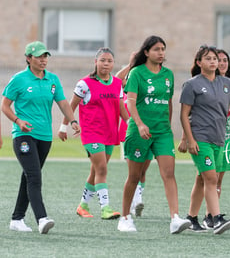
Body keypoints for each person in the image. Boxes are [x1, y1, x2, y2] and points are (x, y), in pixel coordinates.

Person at [1, 41, 80, 234]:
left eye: (45, 56)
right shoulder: (19, 79)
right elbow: (4, 106)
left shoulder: (52, 79)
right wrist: (18, 121)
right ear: (29, 59)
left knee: (28, 177)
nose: (43, 60)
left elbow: (62, 103)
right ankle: (42, 218)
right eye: (39, 56)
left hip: (45, 137)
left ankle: (17, 219)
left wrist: (72, 121)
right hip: (23, 136)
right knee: (35, 177)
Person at [180, 45, 230, 234]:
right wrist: (189, 139)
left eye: (215, 58)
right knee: (211, 178)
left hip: (219, 139)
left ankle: (191, 218)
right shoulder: (191, 85)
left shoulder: (226, 84)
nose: (213, 61)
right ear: (199, 63)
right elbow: (184, 115)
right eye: (208, 58)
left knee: (202, 179)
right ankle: (215, 219)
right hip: (200, 139)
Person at [117, 35, 191, 233]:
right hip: (139, 131)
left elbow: (168, 102)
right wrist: (140, 124)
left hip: (162, 132)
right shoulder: (136, 73)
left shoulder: (168, 74)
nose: (161, 53)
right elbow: (130, 102)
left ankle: (175, 218)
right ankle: (124, 217)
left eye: (163, 49)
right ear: (147, 52)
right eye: (157, 49)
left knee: (169, 173)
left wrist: (167, 126)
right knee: (134, 176)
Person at [58, 47, 128, 220]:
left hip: (109, 133)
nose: (106, 63)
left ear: (113, 64)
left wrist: (133, 125)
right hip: (91, 133)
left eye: (109, 60)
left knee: (96, 170)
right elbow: (70, 106)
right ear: (95, 62)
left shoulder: (117, 84)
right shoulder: (84, 84)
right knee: (102, 169)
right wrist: (63, 126)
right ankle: (106, 208)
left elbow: (121, 110)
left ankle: (82, 205)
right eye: (102, 60)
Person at [115, 54, 152, 217]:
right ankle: (136, 200)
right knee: (134, 171)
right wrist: (131, 64)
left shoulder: (145, 86)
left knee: (143, 170)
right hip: (129, 133)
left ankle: (137, 198)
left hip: (148, 131)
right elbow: (117, 78)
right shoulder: (123, 90)